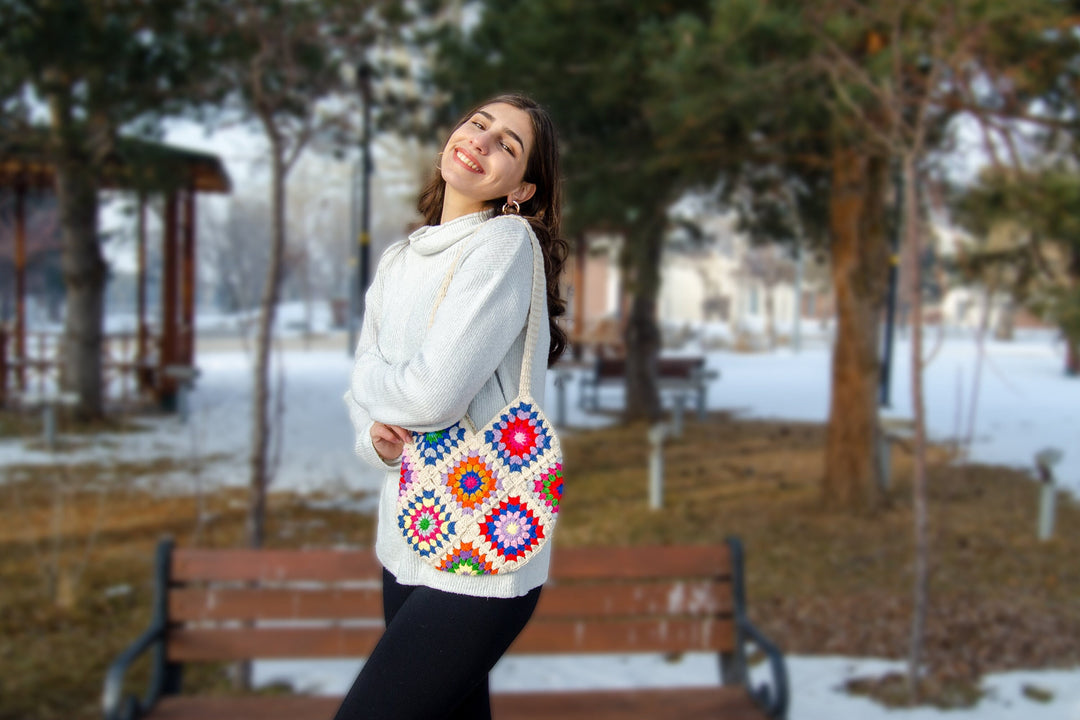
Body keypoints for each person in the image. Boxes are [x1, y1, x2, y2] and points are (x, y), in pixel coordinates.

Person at [337, 94, 568, 720]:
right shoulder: (399, 259)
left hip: (480, 557)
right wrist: (377, 438)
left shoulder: (502, 243)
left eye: (509, 145)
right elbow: (366, 394)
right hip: (407, 535)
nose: (483, 141)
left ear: (521, 187)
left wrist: (375, 384)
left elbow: (432, 394)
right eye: (478, 124)